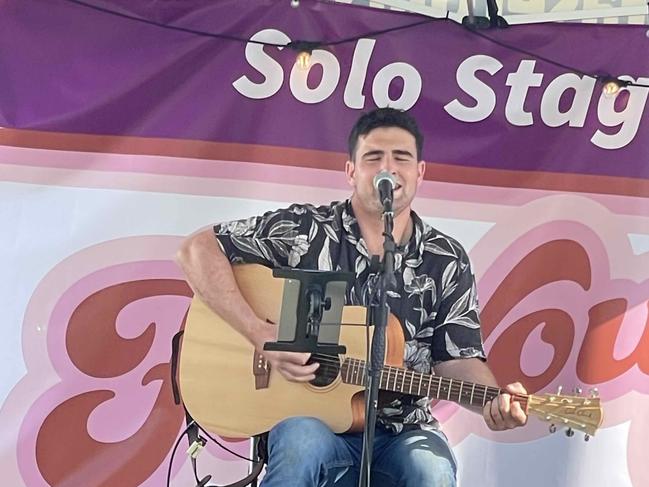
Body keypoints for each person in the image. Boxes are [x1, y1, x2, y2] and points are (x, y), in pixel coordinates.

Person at [176, 107, 528, 487]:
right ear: (351, 172)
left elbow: (457, 358)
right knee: (301, 444)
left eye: (401, 159)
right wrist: (258, 334)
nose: (387, 169)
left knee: (432, 469)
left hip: (403, 430)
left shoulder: (446, 259)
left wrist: (493, 400)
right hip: (308, 419)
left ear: (420, 173)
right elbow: (197, 250)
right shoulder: (305, 231)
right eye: (373, 157)